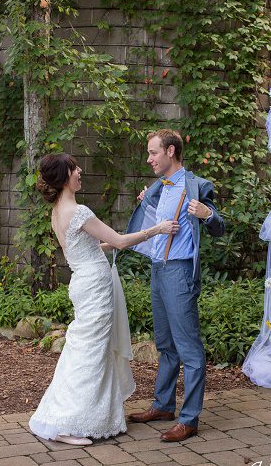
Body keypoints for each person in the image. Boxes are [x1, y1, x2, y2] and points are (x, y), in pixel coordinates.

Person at [28, 153, 180, 445]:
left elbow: (92, 246)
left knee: (84, 348)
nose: (80, 170)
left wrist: (122, 242)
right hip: (94, 287)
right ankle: (68, 423)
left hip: (82, 282)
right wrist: (157, 229)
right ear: (64, 177)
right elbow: (121, 240)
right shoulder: (79, 211)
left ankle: (78, 415)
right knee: (91, 351)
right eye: (74, 168)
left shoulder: (58, 213)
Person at [121, 129, 226, 442]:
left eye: (153, 152)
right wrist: (145, 199)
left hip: (179, 272)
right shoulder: (159, 186)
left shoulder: (195, 185)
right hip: (157, 270)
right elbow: (150, 214)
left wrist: (207, 214)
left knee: (189, 348)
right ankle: (163, 406)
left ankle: (189, 419)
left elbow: (219, 226)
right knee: (165, 344)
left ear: (170, 151)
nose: (149, 159)